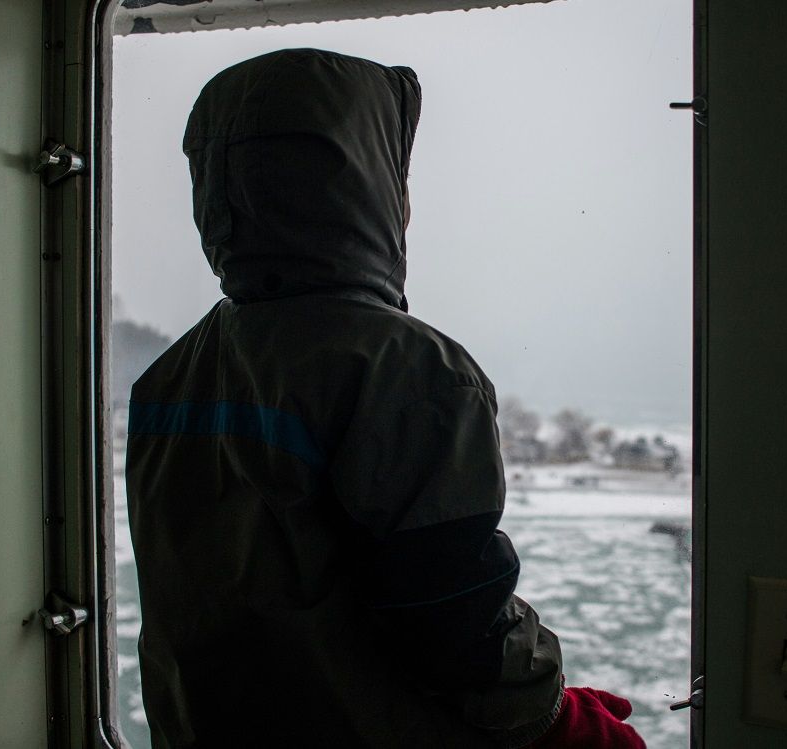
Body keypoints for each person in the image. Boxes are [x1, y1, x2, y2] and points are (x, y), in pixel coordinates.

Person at [127, 48, 645, 748]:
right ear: (367, 185)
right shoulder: (408, 371)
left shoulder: (171, 376)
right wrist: (558, 714)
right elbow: (453, 623)